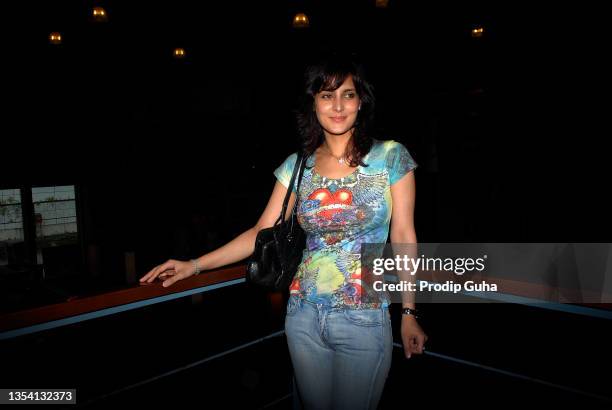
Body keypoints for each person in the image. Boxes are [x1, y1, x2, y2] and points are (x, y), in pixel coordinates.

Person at [139, 53, 427, 410]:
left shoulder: (390, 157)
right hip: (303, 317)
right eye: (326, 95)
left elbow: (403, 236)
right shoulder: (297, 166)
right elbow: (260, 231)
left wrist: (409, 313)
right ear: (313, 103)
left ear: (361, 101)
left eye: (347, 94)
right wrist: (194, 265)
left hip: (363, 317)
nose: (337, 105)